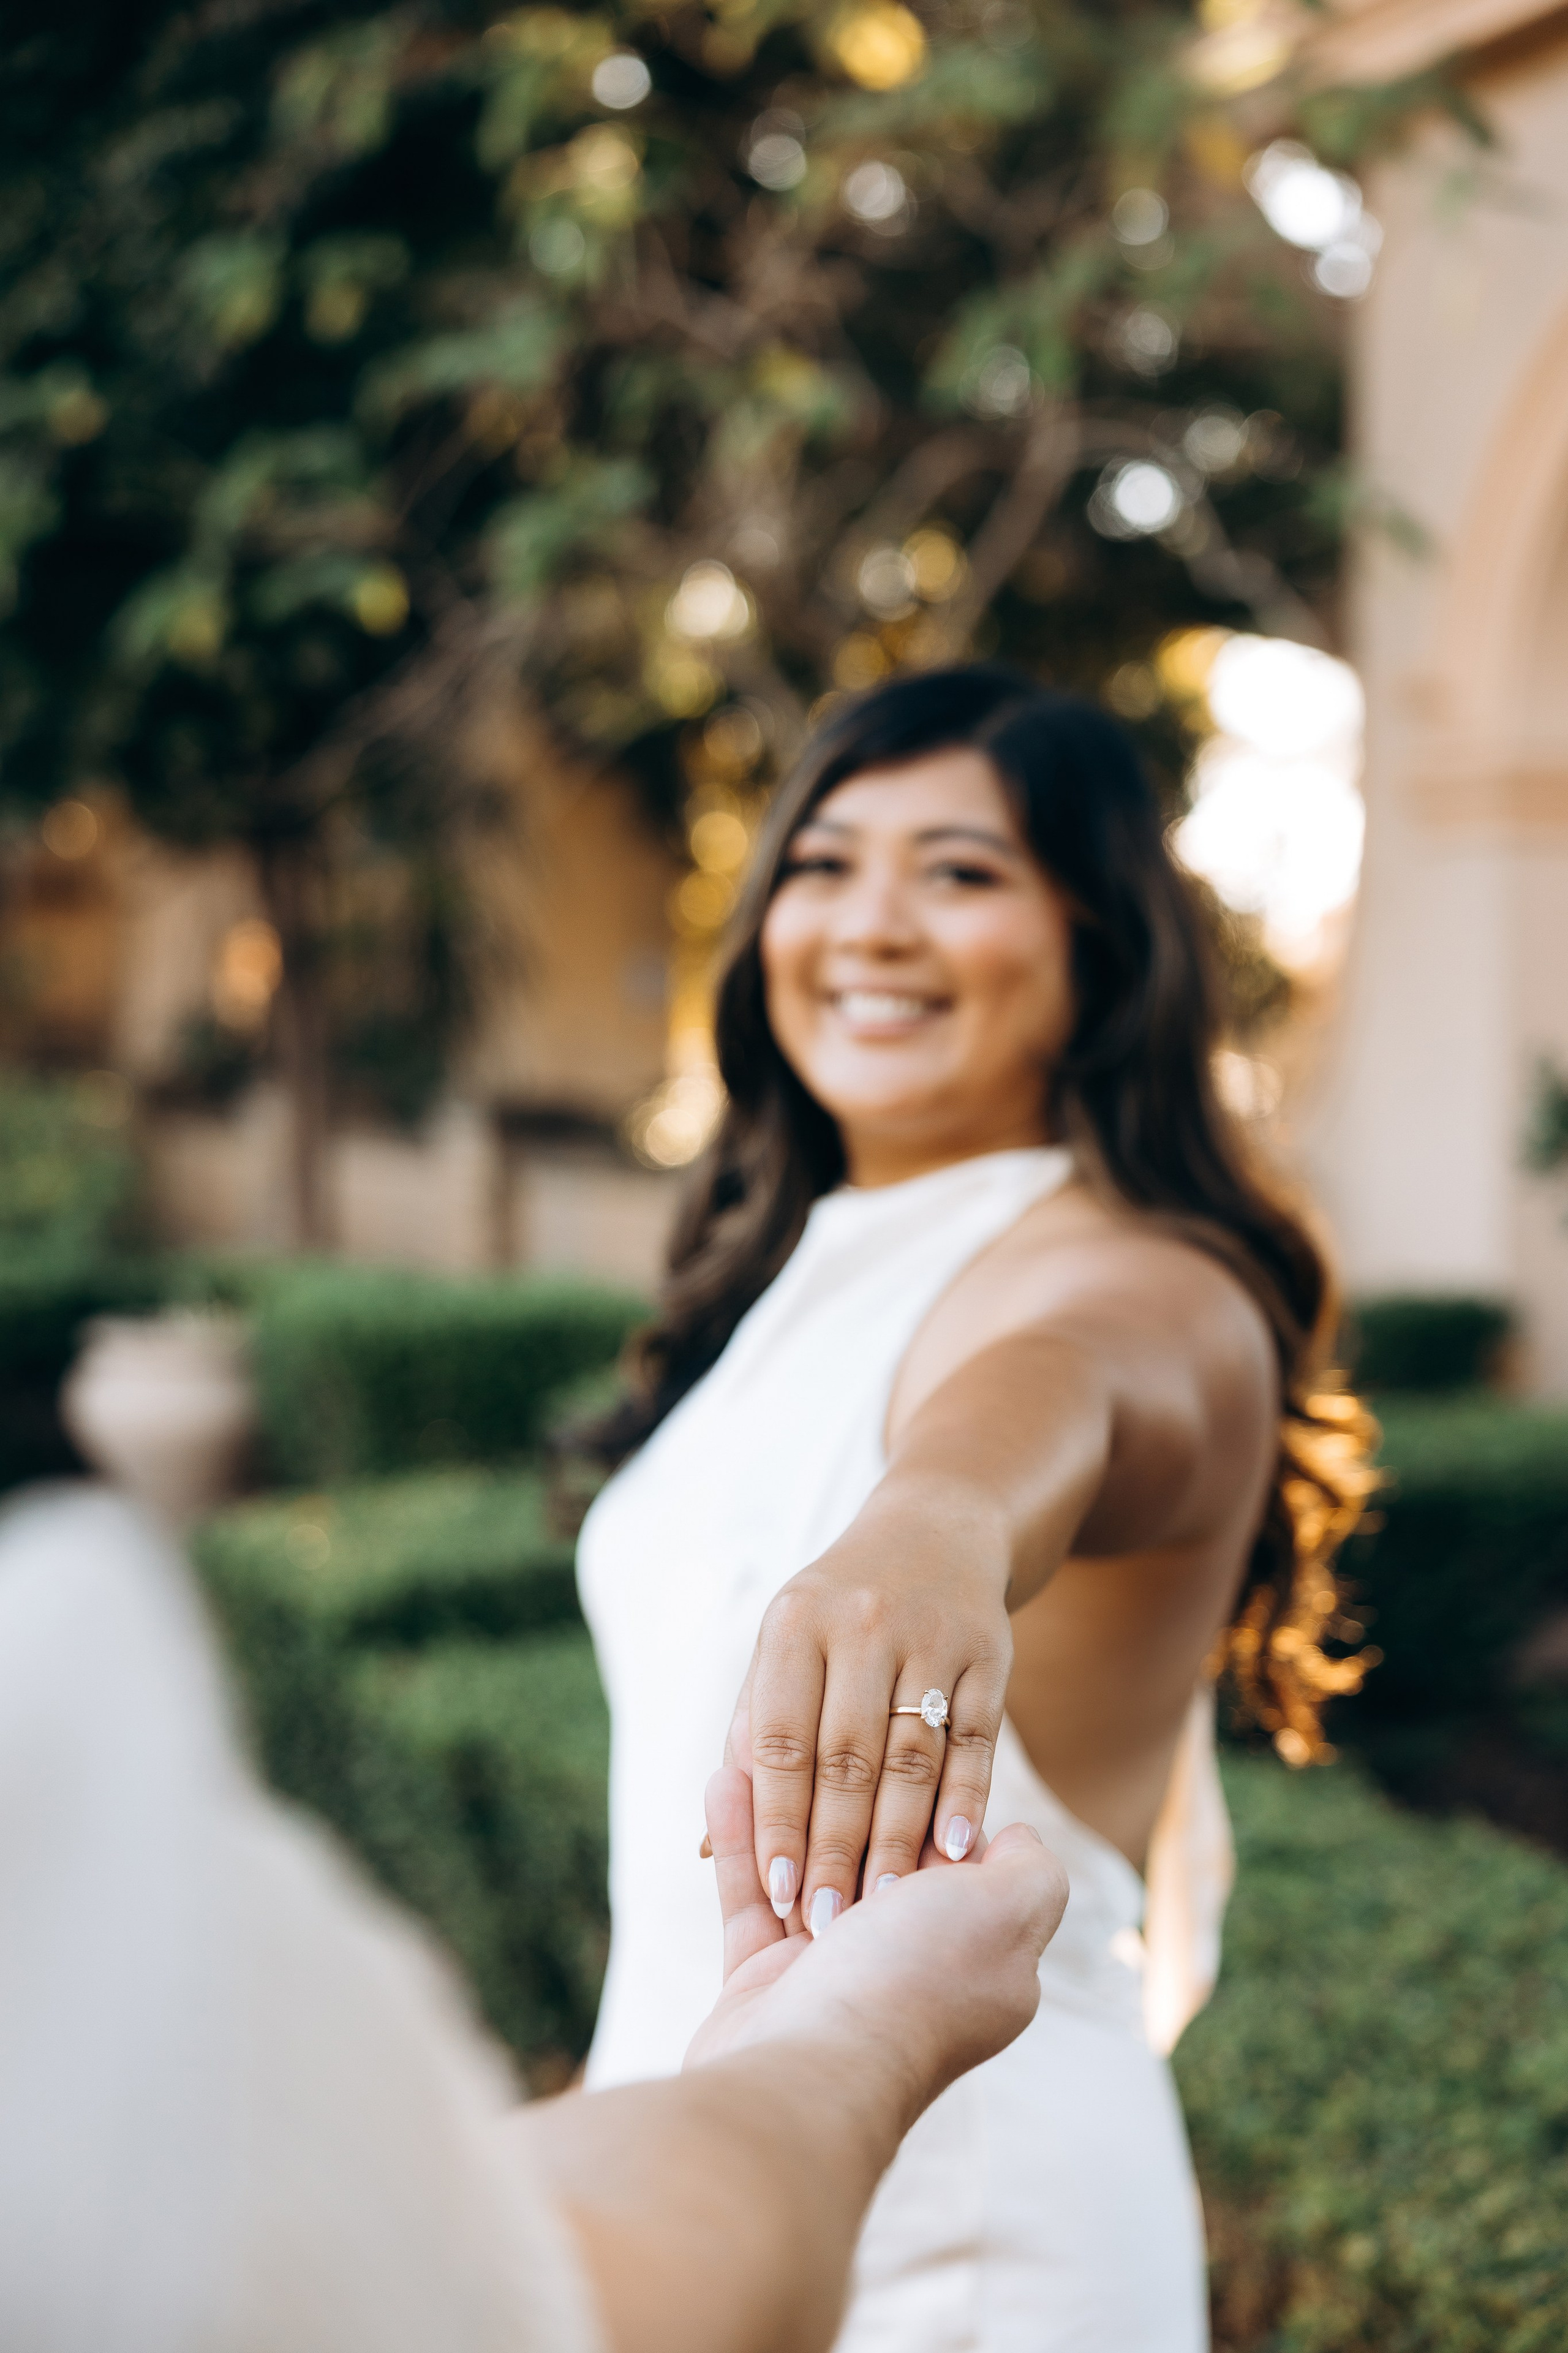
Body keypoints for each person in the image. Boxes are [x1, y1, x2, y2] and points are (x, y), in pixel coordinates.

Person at [577, 668, 1374, 2351]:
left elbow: (1066, 1388)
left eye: (960, 871)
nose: (870, 924)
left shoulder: (1146, 1274)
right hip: (703, 2157)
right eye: (822, 863)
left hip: (959, 2235)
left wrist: (933, 1520)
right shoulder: (814, 1260)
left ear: (1100, 945)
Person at [0, 1481, 1066, 2353]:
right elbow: (543, 2296)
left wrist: (941, 1512)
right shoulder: (63, 1777)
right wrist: (858, 2036)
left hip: (937, 2200)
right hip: (721, 2141)